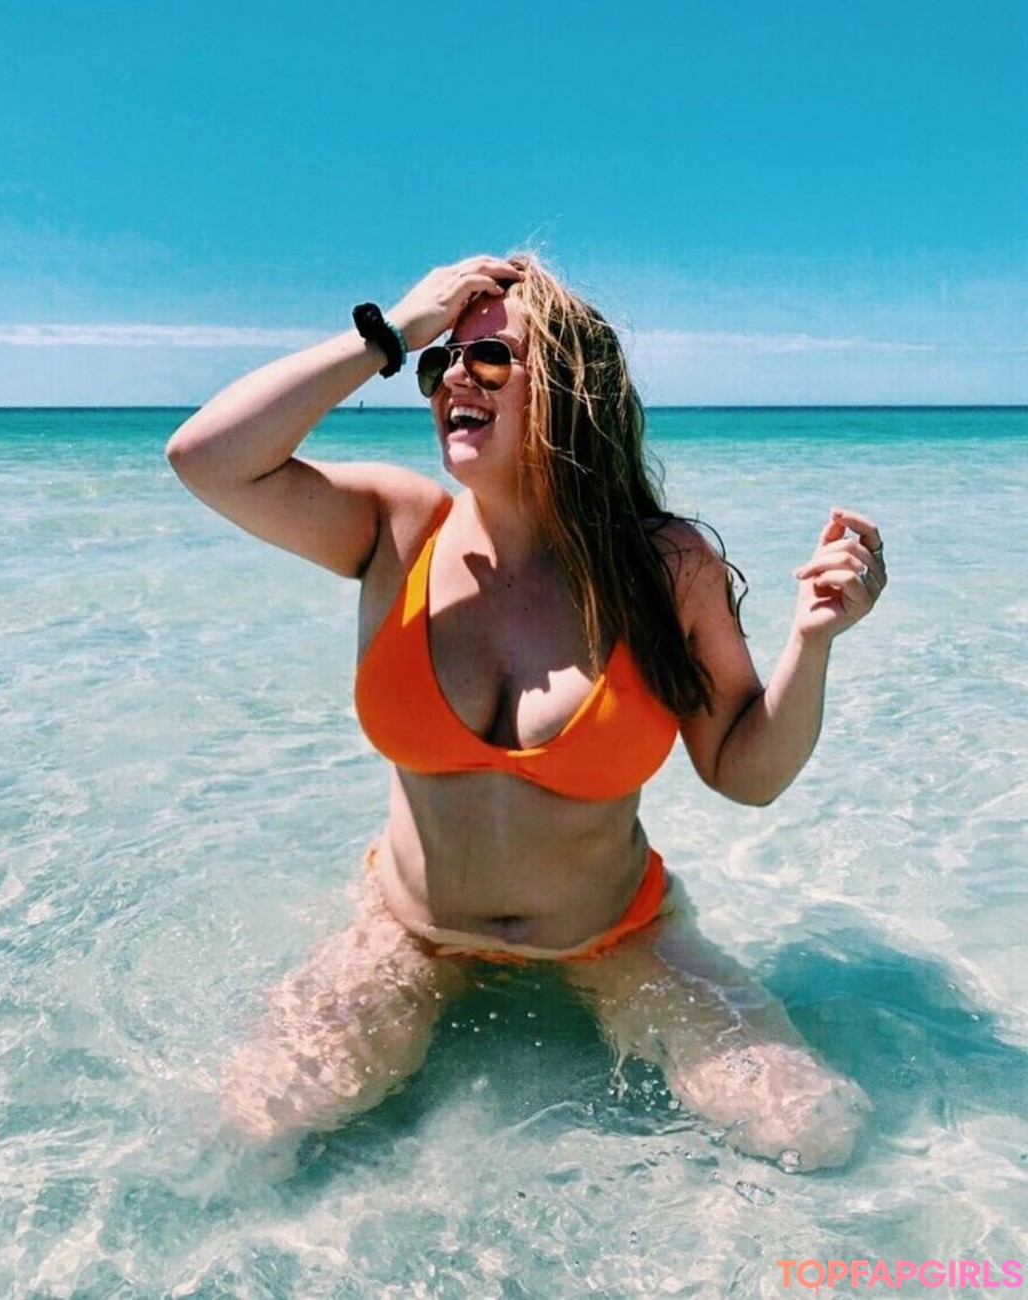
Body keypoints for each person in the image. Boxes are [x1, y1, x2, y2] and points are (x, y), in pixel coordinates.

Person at [166, 253, 887, 1170]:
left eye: (489, 358)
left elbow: (745, 773)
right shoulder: (397, 529)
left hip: (615, 937)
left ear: (572, 393)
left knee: (814, 1133)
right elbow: (206, 459)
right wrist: (394, 333)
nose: (452, 380)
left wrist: (813, 642)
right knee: (247, 1136)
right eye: (440, 364)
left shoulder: (664, 567)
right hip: (409, 934)